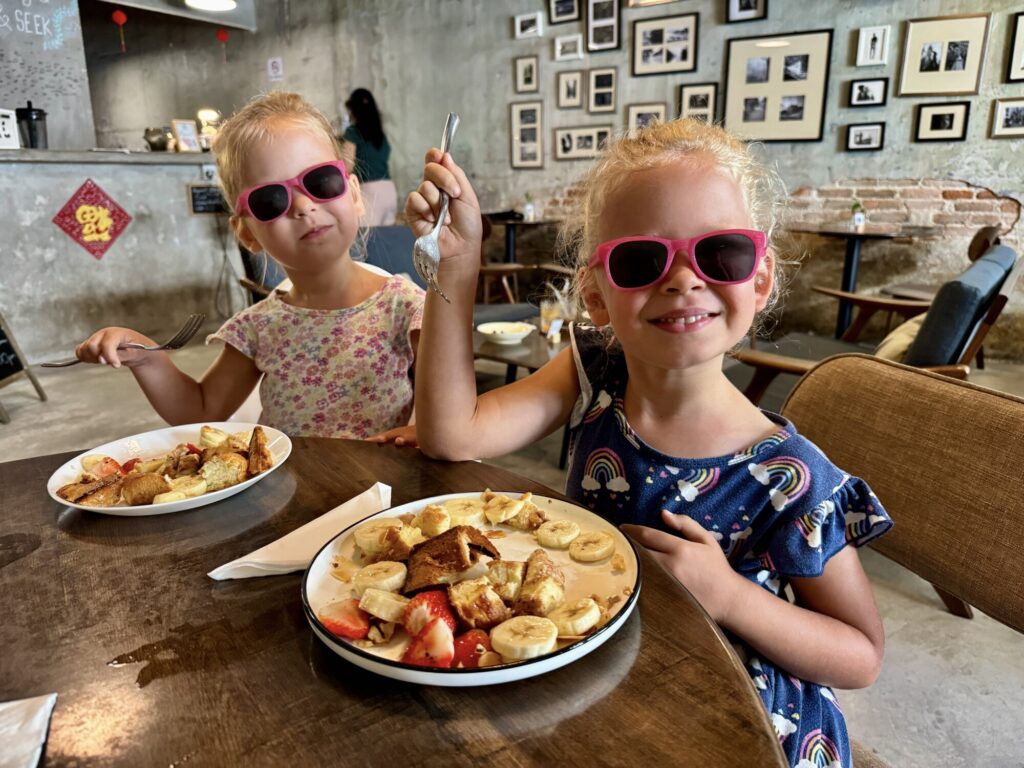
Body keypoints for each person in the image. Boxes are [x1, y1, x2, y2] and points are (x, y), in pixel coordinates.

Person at [406, 119, 891, 768]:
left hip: (743, 723)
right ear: (596, 295)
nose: (683, 279)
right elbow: (450, 433)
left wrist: (726, 593)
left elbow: (861, 655)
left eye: (720, 253)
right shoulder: (594, 369)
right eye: (640, 261)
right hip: (600, 677)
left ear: (761, 278)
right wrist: (457, 264)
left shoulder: (791, 477)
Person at [74, 91, 424, 440]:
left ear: (353, 195)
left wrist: (423, 432)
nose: (303, 206)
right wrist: (146, 358)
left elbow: (448, 415)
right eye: (270, 200)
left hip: (385, 490)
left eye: (321, 182)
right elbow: (200, 409)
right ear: (247, 234)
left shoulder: (406, 308)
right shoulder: (258, 327)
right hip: (290, 491)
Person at [341, 88, 398, 226]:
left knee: (367, 241)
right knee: (388, 240)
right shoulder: (380, 135)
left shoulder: (353, 132)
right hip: (389, 190)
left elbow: (347, 166)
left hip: (370, 191)